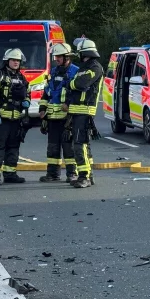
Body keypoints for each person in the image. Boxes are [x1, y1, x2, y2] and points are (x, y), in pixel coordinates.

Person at [0, 48, 30, 186]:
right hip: (1, 119)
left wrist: (27, 101)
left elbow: (28, 92)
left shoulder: (21, 77)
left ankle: (10, 174)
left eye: (18, 60)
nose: (16, 62)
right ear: (7, 61)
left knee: (13, 147)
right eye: (13, 60)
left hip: (16, 119)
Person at [64, 38, 104, 188]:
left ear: (84, 53)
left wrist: (72, 83)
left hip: (85, 111)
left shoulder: (95, 67)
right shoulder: (84, 67)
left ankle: (84, 176)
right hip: (77, 111)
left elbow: (80, 83)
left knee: (79, 145)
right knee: (83, 145)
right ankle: (89, 175)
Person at [38, 43, 80, 183]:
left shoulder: (75, 72)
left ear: (67, 57)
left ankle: (71, 174)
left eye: (58, 56)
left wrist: (69, 105)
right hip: (53, 118)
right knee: (53, 147)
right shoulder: (53, 72)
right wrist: (42, 110)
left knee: (68, 147)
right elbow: (46, 93)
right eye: (55, 56)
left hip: (68, 118)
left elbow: (78, 94)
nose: (56, 59)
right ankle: (53, 174)